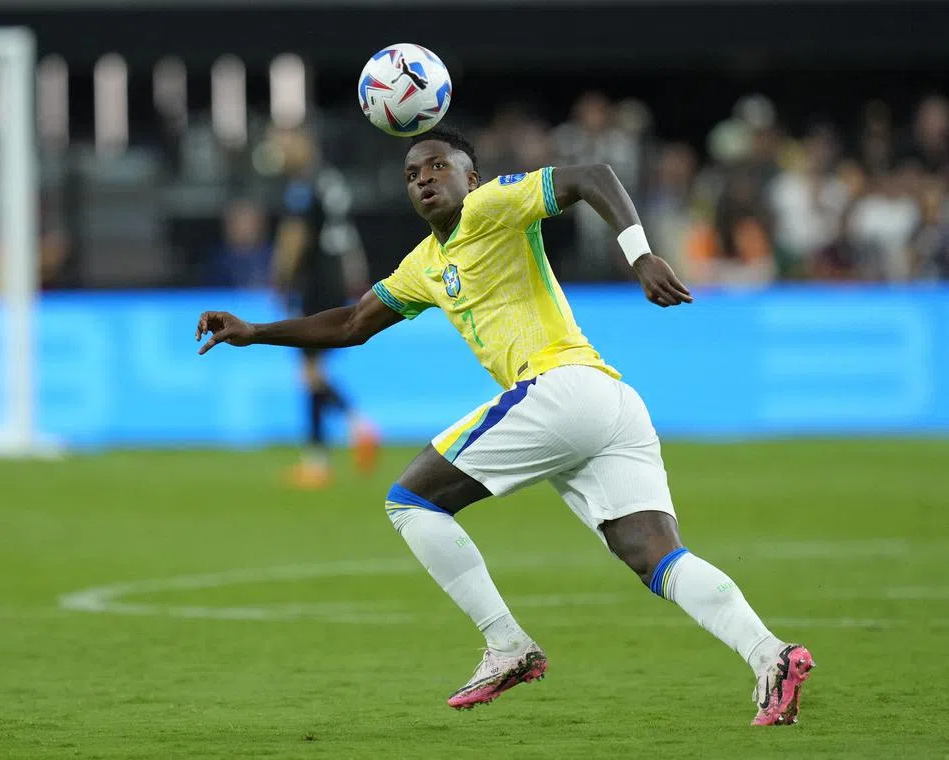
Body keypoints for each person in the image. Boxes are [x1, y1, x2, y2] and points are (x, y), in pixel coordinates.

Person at [196, 124, 814, 725]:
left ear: (473, 177)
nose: (424, 179)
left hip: (562, 389)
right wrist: (254, 332)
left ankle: (506, 644)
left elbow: (590, 176)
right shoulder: (423, 265)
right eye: (412, 174)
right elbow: (351, 325)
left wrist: (640, 253)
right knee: (652, 555)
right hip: (608, 403)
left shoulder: (492, 206)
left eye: (438, 166)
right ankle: (772, 656)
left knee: (411, 501)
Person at [269, 127, 379, 488]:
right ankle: (326, 453)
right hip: (336, 280)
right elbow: (347, 235)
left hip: (315, 282)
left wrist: (280, 277)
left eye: (286, 143)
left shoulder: (303, 186)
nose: (282, 151)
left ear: (304, 144)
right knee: (313, 371)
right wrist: (356, 276)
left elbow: (295, 236)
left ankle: (352, 431)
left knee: (309, 374)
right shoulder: (332, 180)